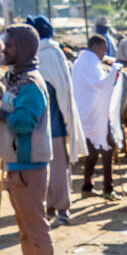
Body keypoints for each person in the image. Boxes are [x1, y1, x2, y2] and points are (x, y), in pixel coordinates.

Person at [0, 23, 56, 255]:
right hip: (15, 164)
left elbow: (23, 122)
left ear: (21, 49)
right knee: (25, 228)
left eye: (9, 45)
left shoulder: (31, 84)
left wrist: (1, 112)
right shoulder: (15, 79)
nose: (4, 49)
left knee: (36, 226)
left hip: (30, 166)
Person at [27, 14, 86, 224]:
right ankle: (55, 207)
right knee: (55, 166)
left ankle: (59, 207)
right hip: (48, 122)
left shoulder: (46, 53)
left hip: (46, 122)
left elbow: (60, 91)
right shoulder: (46, 52)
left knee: (53, 167)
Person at [71, 34, 124, 198]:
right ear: (96, 47)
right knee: (108, 147)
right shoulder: (90, 62)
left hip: (86, 112)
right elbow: (101, 84)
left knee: (92, 149)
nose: (104, 53)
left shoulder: (80, 61)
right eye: (104, 49)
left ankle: (87, 185)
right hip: (96, 113)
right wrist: (115, 70)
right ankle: (108, 188)